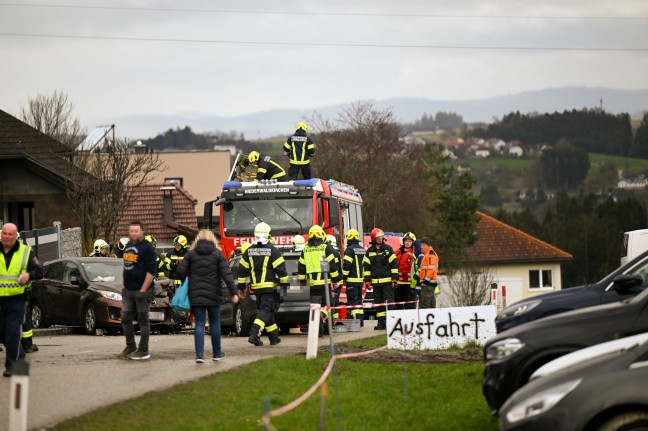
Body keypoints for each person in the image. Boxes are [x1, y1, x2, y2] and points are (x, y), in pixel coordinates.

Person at [176, 230, 238, 363]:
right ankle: (217, 353)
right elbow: (227, 275)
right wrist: (234, 292)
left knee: (199, 323)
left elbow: (180, 271)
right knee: (215, 323)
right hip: (213, 294)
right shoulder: (217, 254)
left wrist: (184, 281)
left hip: (196, 294)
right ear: (212, 239)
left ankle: (199, 355)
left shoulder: (191, 254)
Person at [0, 223, 43, 376]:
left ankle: (11, 367)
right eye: (4, 233)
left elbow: (39, 271)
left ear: (15, 236)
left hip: (17, 300)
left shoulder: (25, 252)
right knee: (3, 334)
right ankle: (20, 356)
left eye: (10, 234)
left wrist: (28, 275)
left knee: (12, 332)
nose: (6, 236)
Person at [236, 222, 288, 346]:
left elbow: (242, 271)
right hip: (269, 288)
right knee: (265, 310)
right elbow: (282, 273)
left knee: (267, 311)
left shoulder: (249, 251)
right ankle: (254, 334)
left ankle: (274, 337)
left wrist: (241, 288)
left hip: (256, 288)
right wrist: (284, 289)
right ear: (268, 234)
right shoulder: (273, 251)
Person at [119, 221, 158, 360]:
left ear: (142, 232)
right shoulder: (128, 246)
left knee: (143, 320)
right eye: (131, 231)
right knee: (125, 318)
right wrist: (123, 285)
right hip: (128, 290)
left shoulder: (147, 248)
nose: (133, 233)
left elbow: (151, 271)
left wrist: (143, 290)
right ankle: (131, 346)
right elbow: (126, 266)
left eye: (136, 231)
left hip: (143, 290)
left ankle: (144, 350)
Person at [298, 225, 341, 333]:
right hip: (324, 284)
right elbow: (332, 266)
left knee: (315, 306)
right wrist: (336, 280)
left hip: (311, 285)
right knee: (327, 306)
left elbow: (301, 268)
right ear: (321, 235)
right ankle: (320, 316)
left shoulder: (305, 250)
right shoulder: (327, 248)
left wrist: (302, 283)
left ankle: (318, 328)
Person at [363, 228, 398, 330]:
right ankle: (381, 323)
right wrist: (367, 280)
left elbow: (394, 265)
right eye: (378, 238)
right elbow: (366, 267)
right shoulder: (369, 252)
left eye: (381, 238)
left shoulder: (388, 249)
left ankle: (393, 323)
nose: (380, 240)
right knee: (379, 304)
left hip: (387, 282)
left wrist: (395, 279)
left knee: (389, 302)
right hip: (376, 283)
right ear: (373, 239)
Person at [342, 229, 366, 326]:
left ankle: (355, 323)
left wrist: (344, 277)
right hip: (360, 280)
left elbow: (347, 265)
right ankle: (360, 321)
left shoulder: (349, 250)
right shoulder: (362, 249)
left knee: (353, 302)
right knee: (359, 301)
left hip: (351, 280)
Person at [395, 232, 418, 310]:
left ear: (413, 242)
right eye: (406, 241)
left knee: (409, 305)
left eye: (409, 241)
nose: (407, 242)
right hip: (398, 283)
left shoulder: (414, 253)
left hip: (409, 284)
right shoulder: (397, 252)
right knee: (398, 305)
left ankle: (411, 321)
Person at [416, 237, 439, 309]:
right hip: (429, 284)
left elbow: (432, 269)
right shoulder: (428, 254)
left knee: (424, 305)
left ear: (425, 245)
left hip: (428, 284)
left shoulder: (431, 254)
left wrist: (425, 281)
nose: (420, 247)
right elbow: (426, 269)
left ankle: (424, 320)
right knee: (431, 305)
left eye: (422, 245)